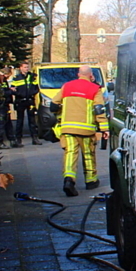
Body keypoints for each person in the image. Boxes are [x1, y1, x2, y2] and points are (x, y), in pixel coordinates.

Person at [52, 65, 109, 196]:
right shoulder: (94, 89)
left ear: (78, 74)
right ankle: (91, 181)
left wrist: (60, 115)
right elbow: (99, 110)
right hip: (86, 129)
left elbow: (53, 105)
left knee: (70, 153)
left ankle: (69, 180)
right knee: (88, 154)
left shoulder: (67, 86)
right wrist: (104, 129)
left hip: (68, 128)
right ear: (91, 75)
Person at [9, 61, 41, 146]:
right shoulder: (16, 78)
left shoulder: (32, 77)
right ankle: (18, 140)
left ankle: (35, 138)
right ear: (21, 68)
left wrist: (31, 93)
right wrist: (19, 94)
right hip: (20, 101)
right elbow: (13, 89)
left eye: (27, 67)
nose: (27, 69)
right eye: (25, 67)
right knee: (20, 121)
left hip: (30, 100)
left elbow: (36, 88)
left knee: (32, 121)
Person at [0, 68, 16, 148]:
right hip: (0, 105)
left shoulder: (4, 80)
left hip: (5, 104)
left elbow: (4, 89)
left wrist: (10, 90)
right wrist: (11, 91)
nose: (8, 77)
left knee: (8, 124)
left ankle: (12, 140)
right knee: (0, 124)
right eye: (8, 75)